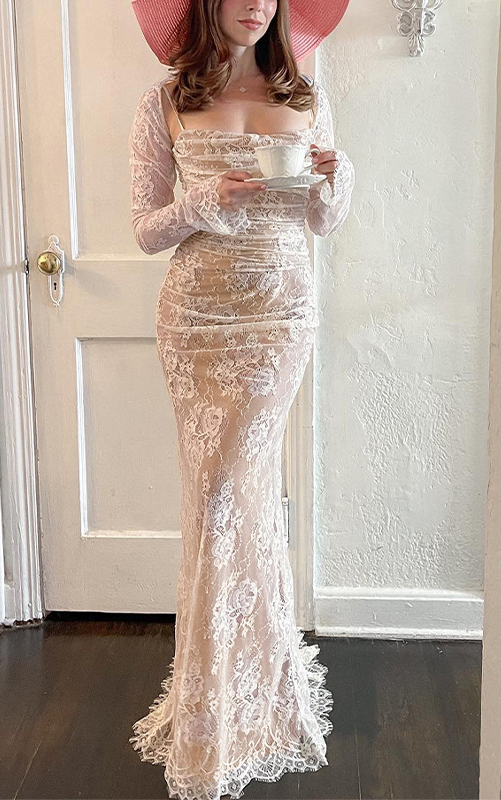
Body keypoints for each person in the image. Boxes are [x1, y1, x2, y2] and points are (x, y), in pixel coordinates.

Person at [127, 1, 354, 798]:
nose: (256, 3)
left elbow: (323, 222)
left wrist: (337, 179)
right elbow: (146, 229)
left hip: (279, 321)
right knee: (218, 500)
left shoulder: (307, 98)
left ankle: (247, 702)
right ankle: (223, 704)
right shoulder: (164, 103)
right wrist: (203, 204)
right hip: (195, 321)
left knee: (229, 495)